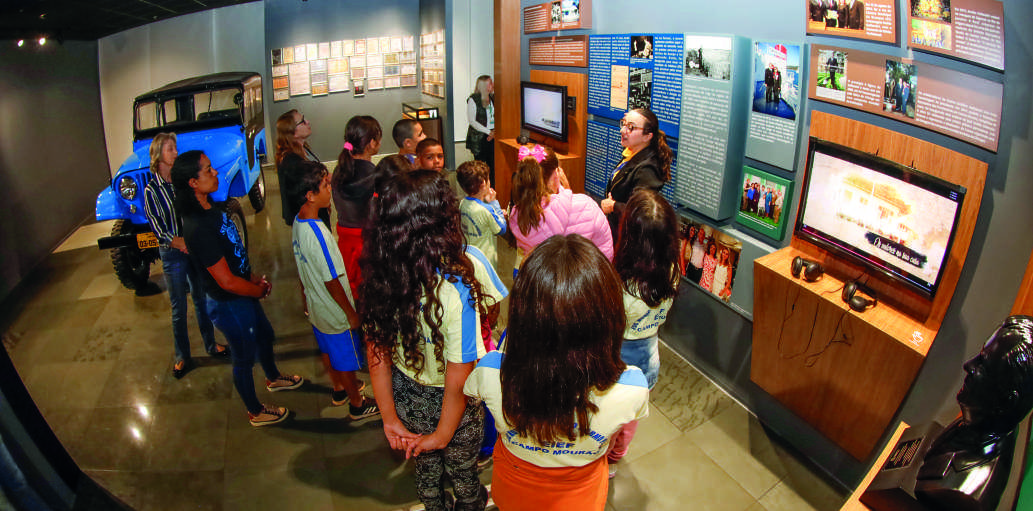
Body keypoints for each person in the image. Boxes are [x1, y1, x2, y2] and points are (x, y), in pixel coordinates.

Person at [464, 234, 649, 510]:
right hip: (582, 497)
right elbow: (612, 440)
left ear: (523, 314)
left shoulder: (491, 371)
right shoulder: (632, 387)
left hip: (514, 491)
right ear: (609, 315)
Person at [362, 170, 506, 511]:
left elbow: (376, 351)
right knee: (464, 474)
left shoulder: (381, 272)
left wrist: (390, 419)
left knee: (424, 471)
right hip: (456, 405)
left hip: (407, 394)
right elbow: (458, 376)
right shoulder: (457, 282)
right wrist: (441, 436)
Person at [171, 150, 304, 427]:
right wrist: (258, 291)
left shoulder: (213, 209)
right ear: (192, 183)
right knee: (243, 357)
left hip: (242, 295)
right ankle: (255, 411)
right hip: (229, 303)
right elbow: (226, 281)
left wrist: (253, 278)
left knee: (265, 335)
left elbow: (233, 256)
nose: (215, 173)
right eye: (208, 170)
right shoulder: (197, 227)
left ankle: (273, 377)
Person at [283, 159, 380, 419]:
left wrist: (305, 299)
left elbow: (303, 268)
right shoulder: (318, 234)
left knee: (327, 349)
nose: (330, 190)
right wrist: (350, 314)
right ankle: (357, 403)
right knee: (345, 359)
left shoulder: (298, 223)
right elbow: (332, 280)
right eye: (325, 186)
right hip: (335, 312)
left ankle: (338, 388)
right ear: (310, 195)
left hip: (317, 308)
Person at [142, 133, 229, 379]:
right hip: (172, 254)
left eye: (175, 148)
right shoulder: (151, 190)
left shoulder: (180, 185)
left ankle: (211, 344)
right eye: (171, 149)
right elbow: (157, 227)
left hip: (191, 249)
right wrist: (178, 241)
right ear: (159, 155)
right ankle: (182, 356)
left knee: (201, 299)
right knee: (178, 307)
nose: (176, 153)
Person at [605, 190, 679, 478]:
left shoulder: (622, 287)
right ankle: (616, 456)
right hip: (649, 360)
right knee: (630, 417)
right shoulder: (672, 272)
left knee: (610, 416)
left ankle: (604, 458)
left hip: (617, 361)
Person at [509, 144, 613, 261]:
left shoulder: (518, 215)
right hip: (581, 277)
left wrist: (566, 192)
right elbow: (606, 253)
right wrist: (567, 192)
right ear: (556, 174)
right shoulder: (586, 205)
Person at [601, 108, 672, 241]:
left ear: (647, 136)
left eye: (631, 127)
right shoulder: (632, 153)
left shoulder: (648, 169)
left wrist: (613, 206)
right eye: (624, 124)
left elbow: (642, 213)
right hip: (617, 230)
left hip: (628, 239)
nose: (622, 130)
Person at [332, 115, 382, 298]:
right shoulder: (374, 176)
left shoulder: (340, 170)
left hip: (345, 245)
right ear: (372, 143)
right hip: (367, 247)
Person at [275, 109, 329, 227]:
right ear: (292, 132)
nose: (308, 122)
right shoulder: (291, 162)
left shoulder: (302, 150)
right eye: (303, 121)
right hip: (310, 220)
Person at [457, 160, 506, 271]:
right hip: (486, 259)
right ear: (484, 183)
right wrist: (494, 203)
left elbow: (481, 218)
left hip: (469, 255)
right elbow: (501, 229)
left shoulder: (462, 203)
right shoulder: (487, 209)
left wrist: (495, 212)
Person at [466, 75, 495, 184]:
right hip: (479, 137)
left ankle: (492, 188)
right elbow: (472, 121)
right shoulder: (473, 99)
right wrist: (489, 132)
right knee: (481, 167)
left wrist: (494, 132)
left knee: (492, 166)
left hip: (492, 136)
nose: (492, 85)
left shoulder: (492, 98)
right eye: (490, 83)